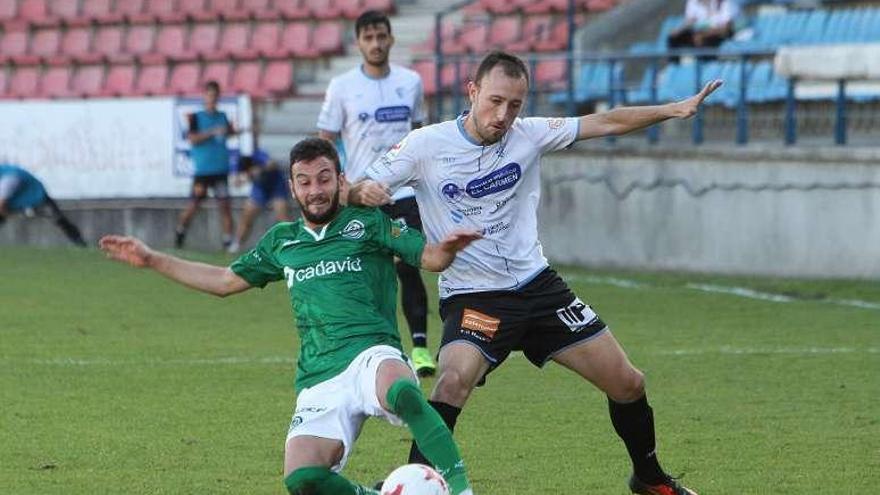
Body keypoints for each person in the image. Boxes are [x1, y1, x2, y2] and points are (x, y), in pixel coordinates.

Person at [350, 51, 722, 495]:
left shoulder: (530, 135)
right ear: (472, 92)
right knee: (451, 381)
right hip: (476, 297)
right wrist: (362, 191)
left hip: (540, 289)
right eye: (495, 101)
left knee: (628, 382)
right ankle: (412, 484)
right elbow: (356, 188)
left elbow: (604, 122)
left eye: (515, 105)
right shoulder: (424, 146)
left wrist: (672, 109)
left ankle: (649, 477)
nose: (504, 115)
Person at [99, 138, 480, 495]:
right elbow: (224, 281)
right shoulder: (282, 241)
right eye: (305, 181)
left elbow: (428, 258)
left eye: (324, 179)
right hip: (319, 374)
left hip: (371, 352)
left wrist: (446, 250)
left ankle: (461, 489)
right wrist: (152, 259)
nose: (315, 190)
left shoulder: (368, 222)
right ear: (292, 188)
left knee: (402, 392)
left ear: (340, 180)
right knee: (303, 478)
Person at [317, 10, 437, 377]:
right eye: (368, 38)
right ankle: (370, 348)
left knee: (408, 266)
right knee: (364, 271)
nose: (376, 44)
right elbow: (325, 141)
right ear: (358, 43)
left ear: (391, 39)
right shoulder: (341, 87)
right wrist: (342, 188)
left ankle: (419, 348)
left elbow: (421, 135)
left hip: (402, 194)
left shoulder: (411, 82)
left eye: (381, 36)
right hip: (359, 195)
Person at [175, 80, 237, 250]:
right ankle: (180, 231)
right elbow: (192, 139)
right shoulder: (196, 117)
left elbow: (229, 134)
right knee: (194, 205)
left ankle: (228, 241)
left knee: (225, 206)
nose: (213, 98)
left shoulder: (223, 116)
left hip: (220, 169)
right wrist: (211, 133)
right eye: (210, 95)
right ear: (204, 96)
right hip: (203, 170)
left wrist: (232, 131)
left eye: (215, 95)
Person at [0, 163, 86, 247]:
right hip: (19, 201)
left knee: (59, 219)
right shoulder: (5, 173)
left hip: (37, 197)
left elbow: (1, 204)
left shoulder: (9, 180)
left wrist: (6, 213)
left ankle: (78, 241)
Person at [226, 149, 291, 254]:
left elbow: (272, 164)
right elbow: (236, 181)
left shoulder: (258, 154)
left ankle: (293, 242)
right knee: (247, 217)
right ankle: (236, 244)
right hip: (259, 188)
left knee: (282, 217)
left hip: (276, 186)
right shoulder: (237, 160)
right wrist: (244, 178)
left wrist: (261, 169)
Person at [668, 0, 740, 51]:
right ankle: (678, 63)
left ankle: (705, 65)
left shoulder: (727, 3)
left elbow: (725, 29)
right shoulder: (695, 2)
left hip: (720, 34)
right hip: (703, 31)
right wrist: (678, 31)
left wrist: (704, 35)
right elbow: (691, 21)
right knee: (674, 38)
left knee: (702, 40)